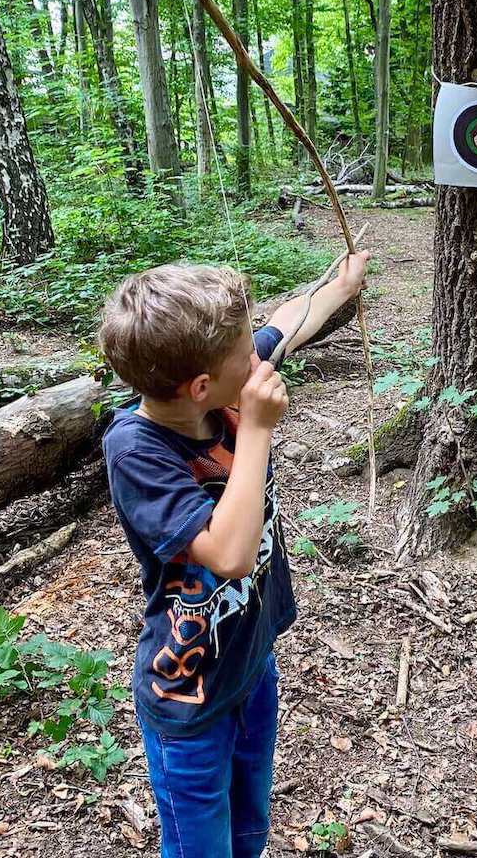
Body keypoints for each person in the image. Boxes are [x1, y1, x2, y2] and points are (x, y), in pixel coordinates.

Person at [98, 252, 370, 858]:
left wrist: (337, 286)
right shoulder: (136, 449)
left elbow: (289, 323)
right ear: (201, 387)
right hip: (189, 696)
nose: (260, 358)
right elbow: (229, 555)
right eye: (247, 354)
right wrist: (256, 431)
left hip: (249, 666)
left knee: (248, 829)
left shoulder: (222, 378)